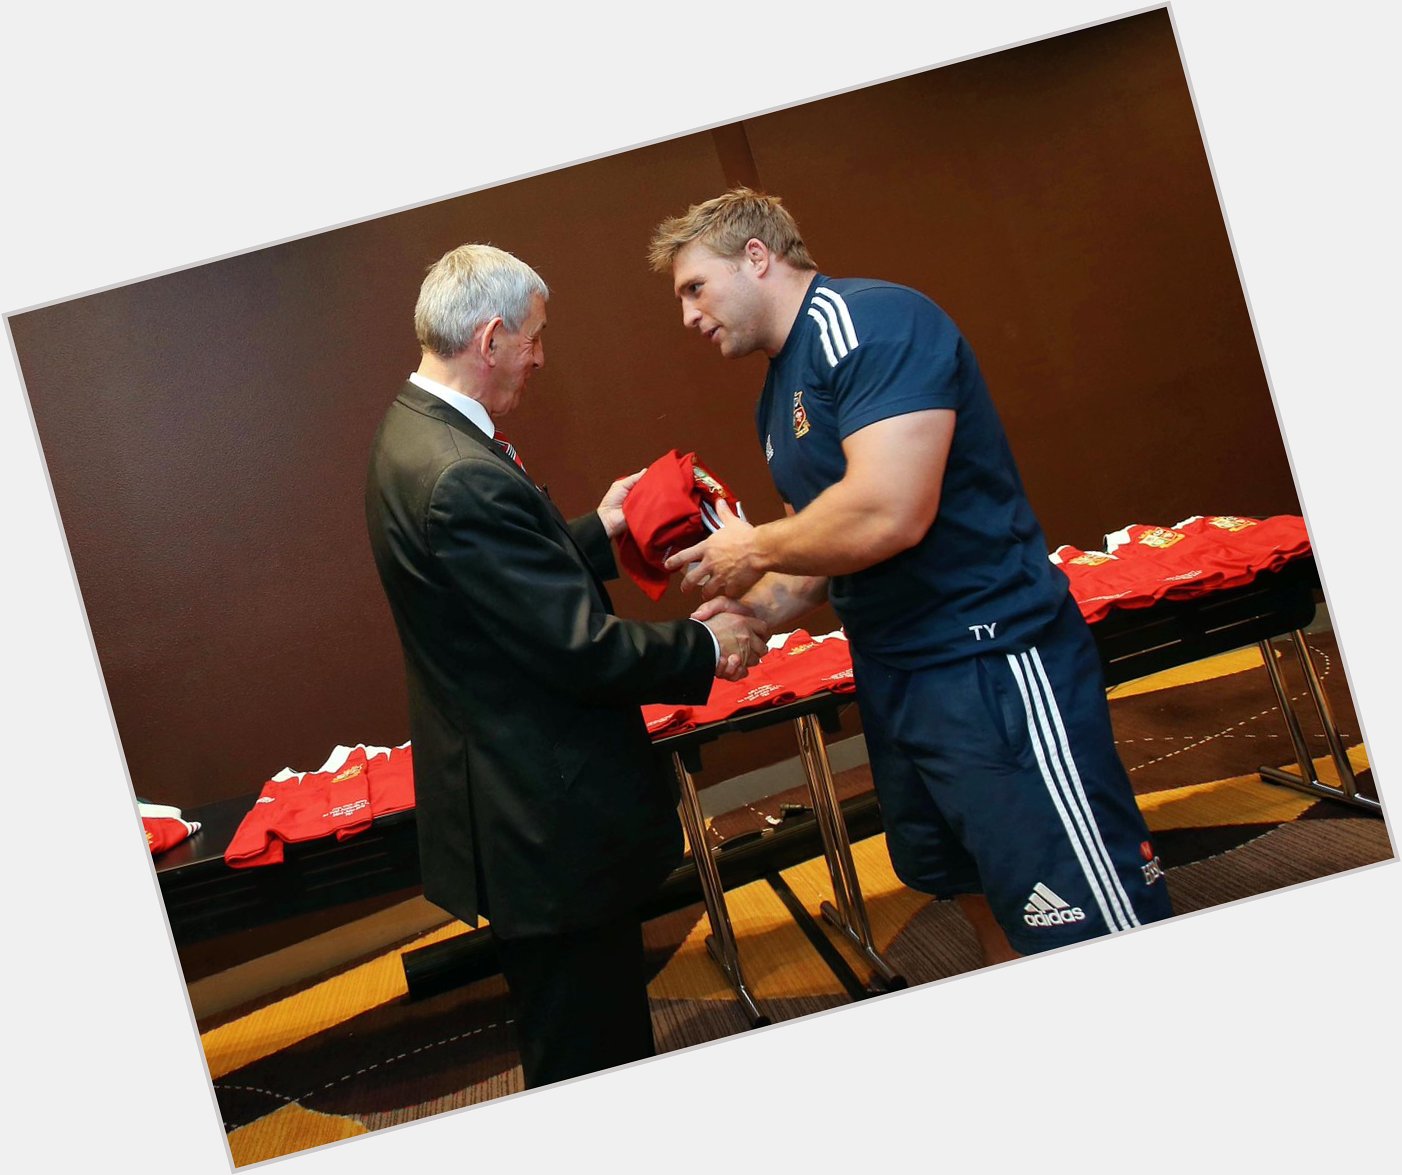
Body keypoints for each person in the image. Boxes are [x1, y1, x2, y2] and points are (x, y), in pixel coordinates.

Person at [648, 189, 1173, 963]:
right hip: (899, 677)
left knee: (1084, 911)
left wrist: (753, 549)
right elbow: (824, 554)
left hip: (990, 662)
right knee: (980, 888)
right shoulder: (777, 392)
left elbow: (889, 511)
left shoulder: (872, 322)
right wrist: (754, 612)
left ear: (756, 257)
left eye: (695, 288)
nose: (689, 316)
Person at [364, 243, 767, 1087]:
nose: (541, 358)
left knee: (582, 1034)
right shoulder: (458, 474)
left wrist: (602, 527)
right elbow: (575, 649)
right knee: (591, 1050)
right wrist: (708, 646)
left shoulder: (415, 430)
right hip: (545, 822)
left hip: (515, 807)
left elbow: (495, 591)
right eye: (536, 339)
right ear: (493, 336)